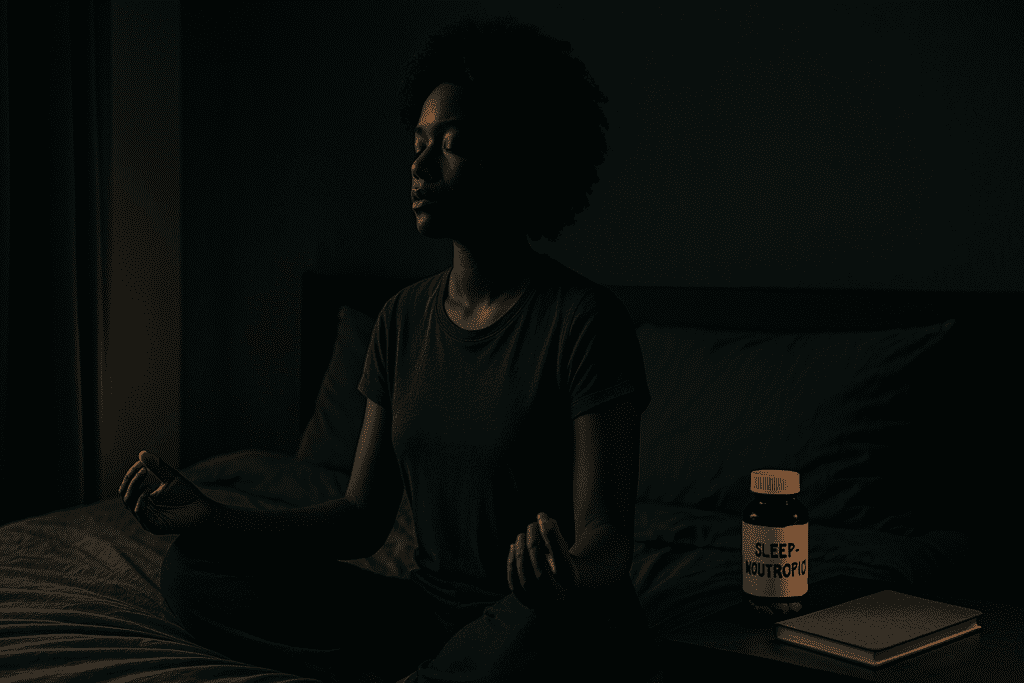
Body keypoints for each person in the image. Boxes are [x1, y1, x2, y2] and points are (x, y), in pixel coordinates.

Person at [120, 14, 656, 683]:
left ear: (515, 156)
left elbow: (608, 536)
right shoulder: (401, 320)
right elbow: (359, 518)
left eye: (452, 143)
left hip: (543, 614)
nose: (420, 164)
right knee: (193, 567)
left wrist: (566, 570)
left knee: (535, 636)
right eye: (418, 143)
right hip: (427, 613)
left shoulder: (583, 321)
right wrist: (213, 516)